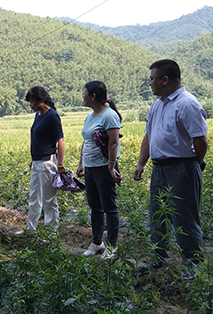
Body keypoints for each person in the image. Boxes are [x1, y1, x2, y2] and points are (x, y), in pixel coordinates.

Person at [133, 59, 208, 280]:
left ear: (164, 80)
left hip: (182, 167)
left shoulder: (188, 104)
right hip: (160, 169)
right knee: (158, 216)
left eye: (152, 79)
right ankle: (159, 258)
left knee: (184, 217)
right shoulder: (158, 104)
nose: (150, 84)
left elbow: (201, 141)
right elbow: (149, 135)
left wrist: (194, 164)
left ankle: (192, 264)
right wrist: (141, 163)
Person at [76, 81, 123, 260]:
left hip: (105, 168)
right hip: (91, 167)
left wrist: (111, 166)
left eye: (84, 93)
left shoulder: (110, 116)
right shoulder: (90, 116)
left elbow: (113, 142)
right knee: (95, 207)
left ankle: (111, 246)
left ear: (93, 96)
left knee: (109, 208)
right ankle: (97, 242)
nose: (83, 96)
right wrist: (81, 163)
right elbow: (86, 141)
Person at [16, 86, 66, 236]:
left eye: (32, 102)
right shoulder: (38, 115)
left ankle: (51, 233)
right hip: (37, 161)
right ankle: (31, 229)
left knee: (49, 199)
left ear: (41, 101)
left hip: (47, 162)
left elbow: (60, 141)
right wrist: (33, 159)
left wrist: (60, 164)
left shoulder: (52, 116)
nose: (31, 105)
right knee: (34, 197)